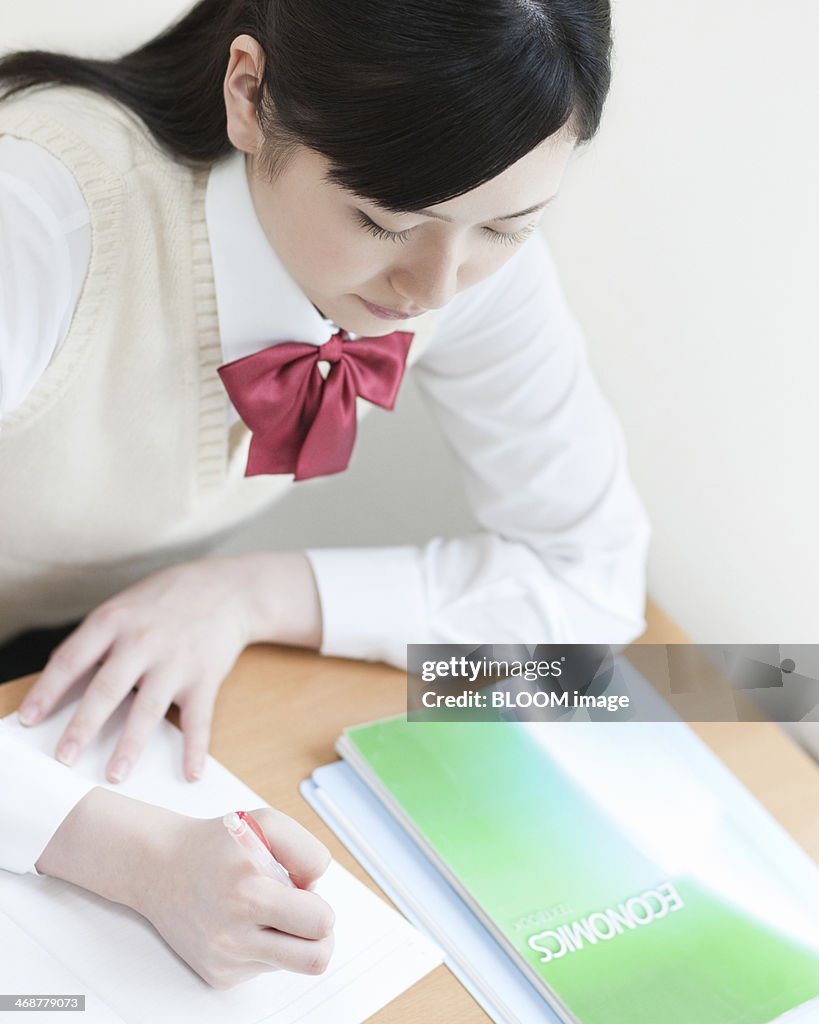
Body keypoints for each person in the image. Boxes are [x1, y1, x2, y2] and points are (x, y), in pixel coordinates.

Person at [0, 0, 649, 988]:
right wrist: (137, 858)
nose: (436, 287)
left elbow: (593, 577)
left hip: (73, 670)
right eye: (385, 220)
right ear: (249, 92)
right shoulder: (38, 215)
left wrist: (257, 591)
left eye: (508, 226)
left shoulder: (463, 253)